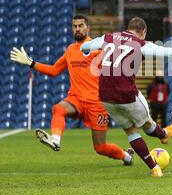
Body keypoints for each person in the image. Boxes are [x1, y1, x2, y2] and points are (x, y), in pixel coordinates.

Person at [81, 17, 172, 177]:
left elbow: (86, 46)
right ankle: (166, 134)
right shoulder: (140, 43)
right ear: (143, 32)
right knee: (147, 124)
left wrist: (86, 50)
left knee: (130, 130)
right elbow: (169, 52)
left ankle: (155, 168)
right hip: (126, 94)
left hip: (105, 96)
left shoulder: (109, 37)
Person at [10, 15, 134, 166]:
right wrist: (31, 63)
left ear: (87, 28)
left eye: (81, 25)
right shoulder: (70, 50)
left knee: (100, 147)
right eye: (74, 26)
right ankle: (55, 140)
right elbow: (55, 70)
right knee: (58, 109)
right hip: (76, 99)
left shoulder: (97, 48)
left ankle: (126, 156)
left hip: (97, 104)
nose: (77, 29)